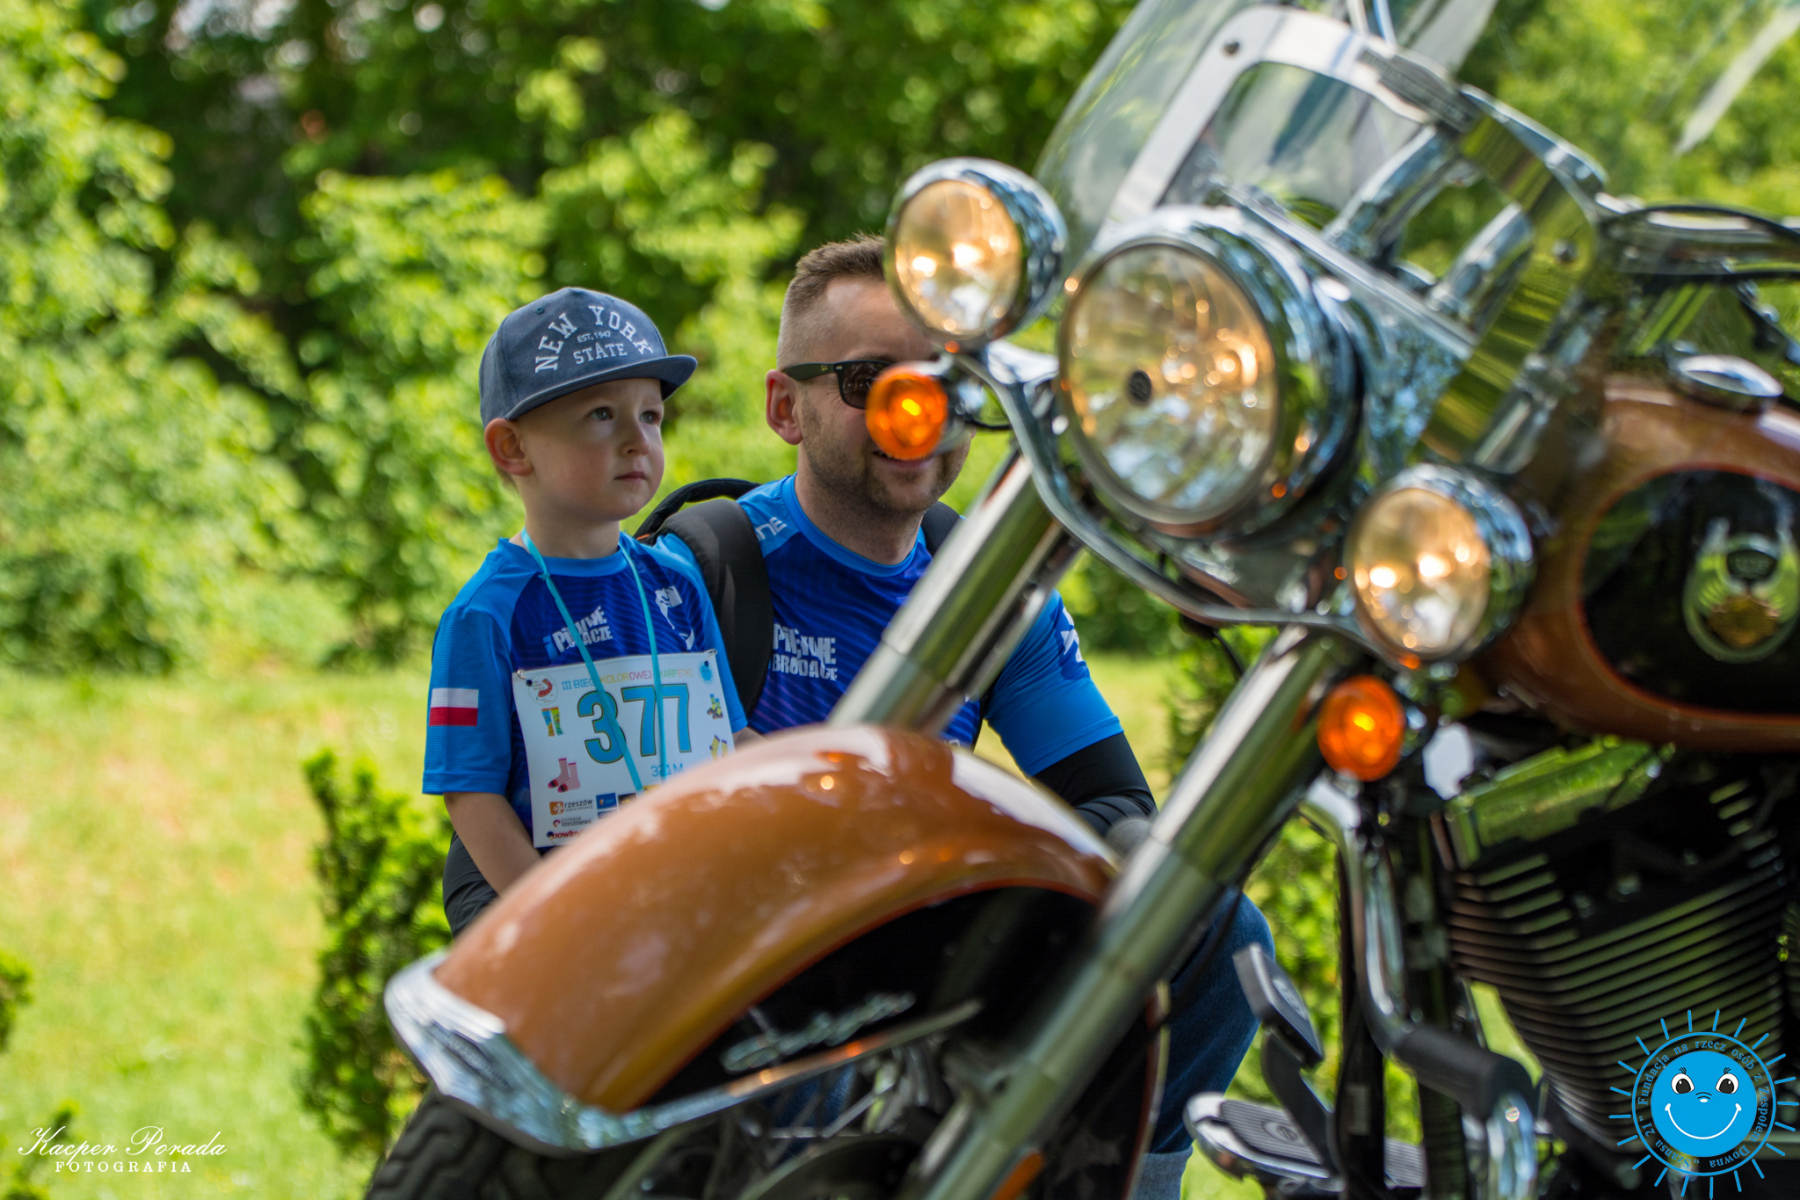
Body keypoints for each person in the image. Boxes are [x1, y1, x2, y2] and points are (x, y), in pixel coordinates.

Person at [656, 237, 1274, 1199]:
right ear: (786, 407)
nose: (917, 416)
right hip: (756, 964)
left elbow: (1113, 804)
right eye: (869, 382)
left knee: (1218, 934)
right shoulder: (703, 569)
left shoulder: (990, 588)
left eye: (951, 384)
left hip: (937, 950)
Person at [423, 288, 751, 935]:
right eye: (602, 414)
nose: (637, 441)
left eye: (651, 416)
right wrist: (557, 919)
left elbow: (730, 740)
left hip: (686, 908)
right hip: (569, 931)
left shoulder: (678, 581)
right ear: (512, 448)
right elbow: (470, 795)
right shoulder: (484, 615)